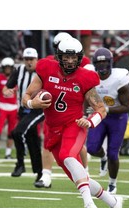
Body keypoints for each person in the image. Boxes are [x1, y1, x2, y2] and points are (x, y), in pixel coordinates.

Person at [22, 37, 124, 208]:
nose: (70, 61)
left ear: (79, 58)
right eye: (66, 57)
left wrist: (90, 122)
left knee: (69, 156)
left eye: (74, 57)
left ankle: (88, 204)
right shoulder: (46, 68)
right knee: (78, 178)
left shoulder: (85, 77)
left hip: (74, 125)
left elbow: (101, 109)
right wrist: (32, 103)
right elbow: (26, 96)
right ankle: (114, 201)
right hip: (53, 130)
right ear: (59, 57)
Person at [35, 31, 90, 188]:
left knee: (76, 145)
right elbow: (37, 85)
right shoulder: (48, 63)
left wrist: (86, 110)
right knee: (47, 142)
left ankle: (85, 171)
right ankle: (46, 175)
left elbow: (89, 88)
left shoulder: (83, 62)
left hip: (73, 112)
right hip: (53, 111)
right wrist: (36, 98)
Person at [86, 47, 129, 195]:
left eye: (105, 62)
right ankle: (102, 157)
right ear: (94, 64)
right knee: (92, 148)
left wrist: (107, 109)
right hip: (100, 115)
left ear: (110, 62)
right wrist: (86, 110)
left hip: (117, 117)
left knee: (114, 153)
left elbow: (127, 106)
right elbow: (86, 94)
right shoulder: (90, 75)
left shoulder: (119, 78)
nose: (102, 66)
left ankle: (112, 183)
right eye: (99, 63)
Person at [6, 48, 44, 184]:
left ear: (36, 60)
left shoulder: (42, 71)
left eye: (31, 59)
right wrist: (7, 91)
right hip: (23, 110)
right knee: (33, 141)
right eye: (26, 59)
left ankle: (20, 164)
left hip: (38, 110)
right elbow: (8, 86)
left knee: (17, 132)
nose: (29, 62)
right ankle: (40, 174)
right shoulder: (19, 70)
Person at [0, 57, 18, 159]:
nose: (7, 69)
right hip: (2, 106)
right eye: (5, 67)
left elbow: (19, 93)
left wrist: (19, 106)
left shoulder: (15, 78)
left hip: (13, 107)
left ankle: (8, 154)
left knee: (11, 132)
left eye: (9, 67)